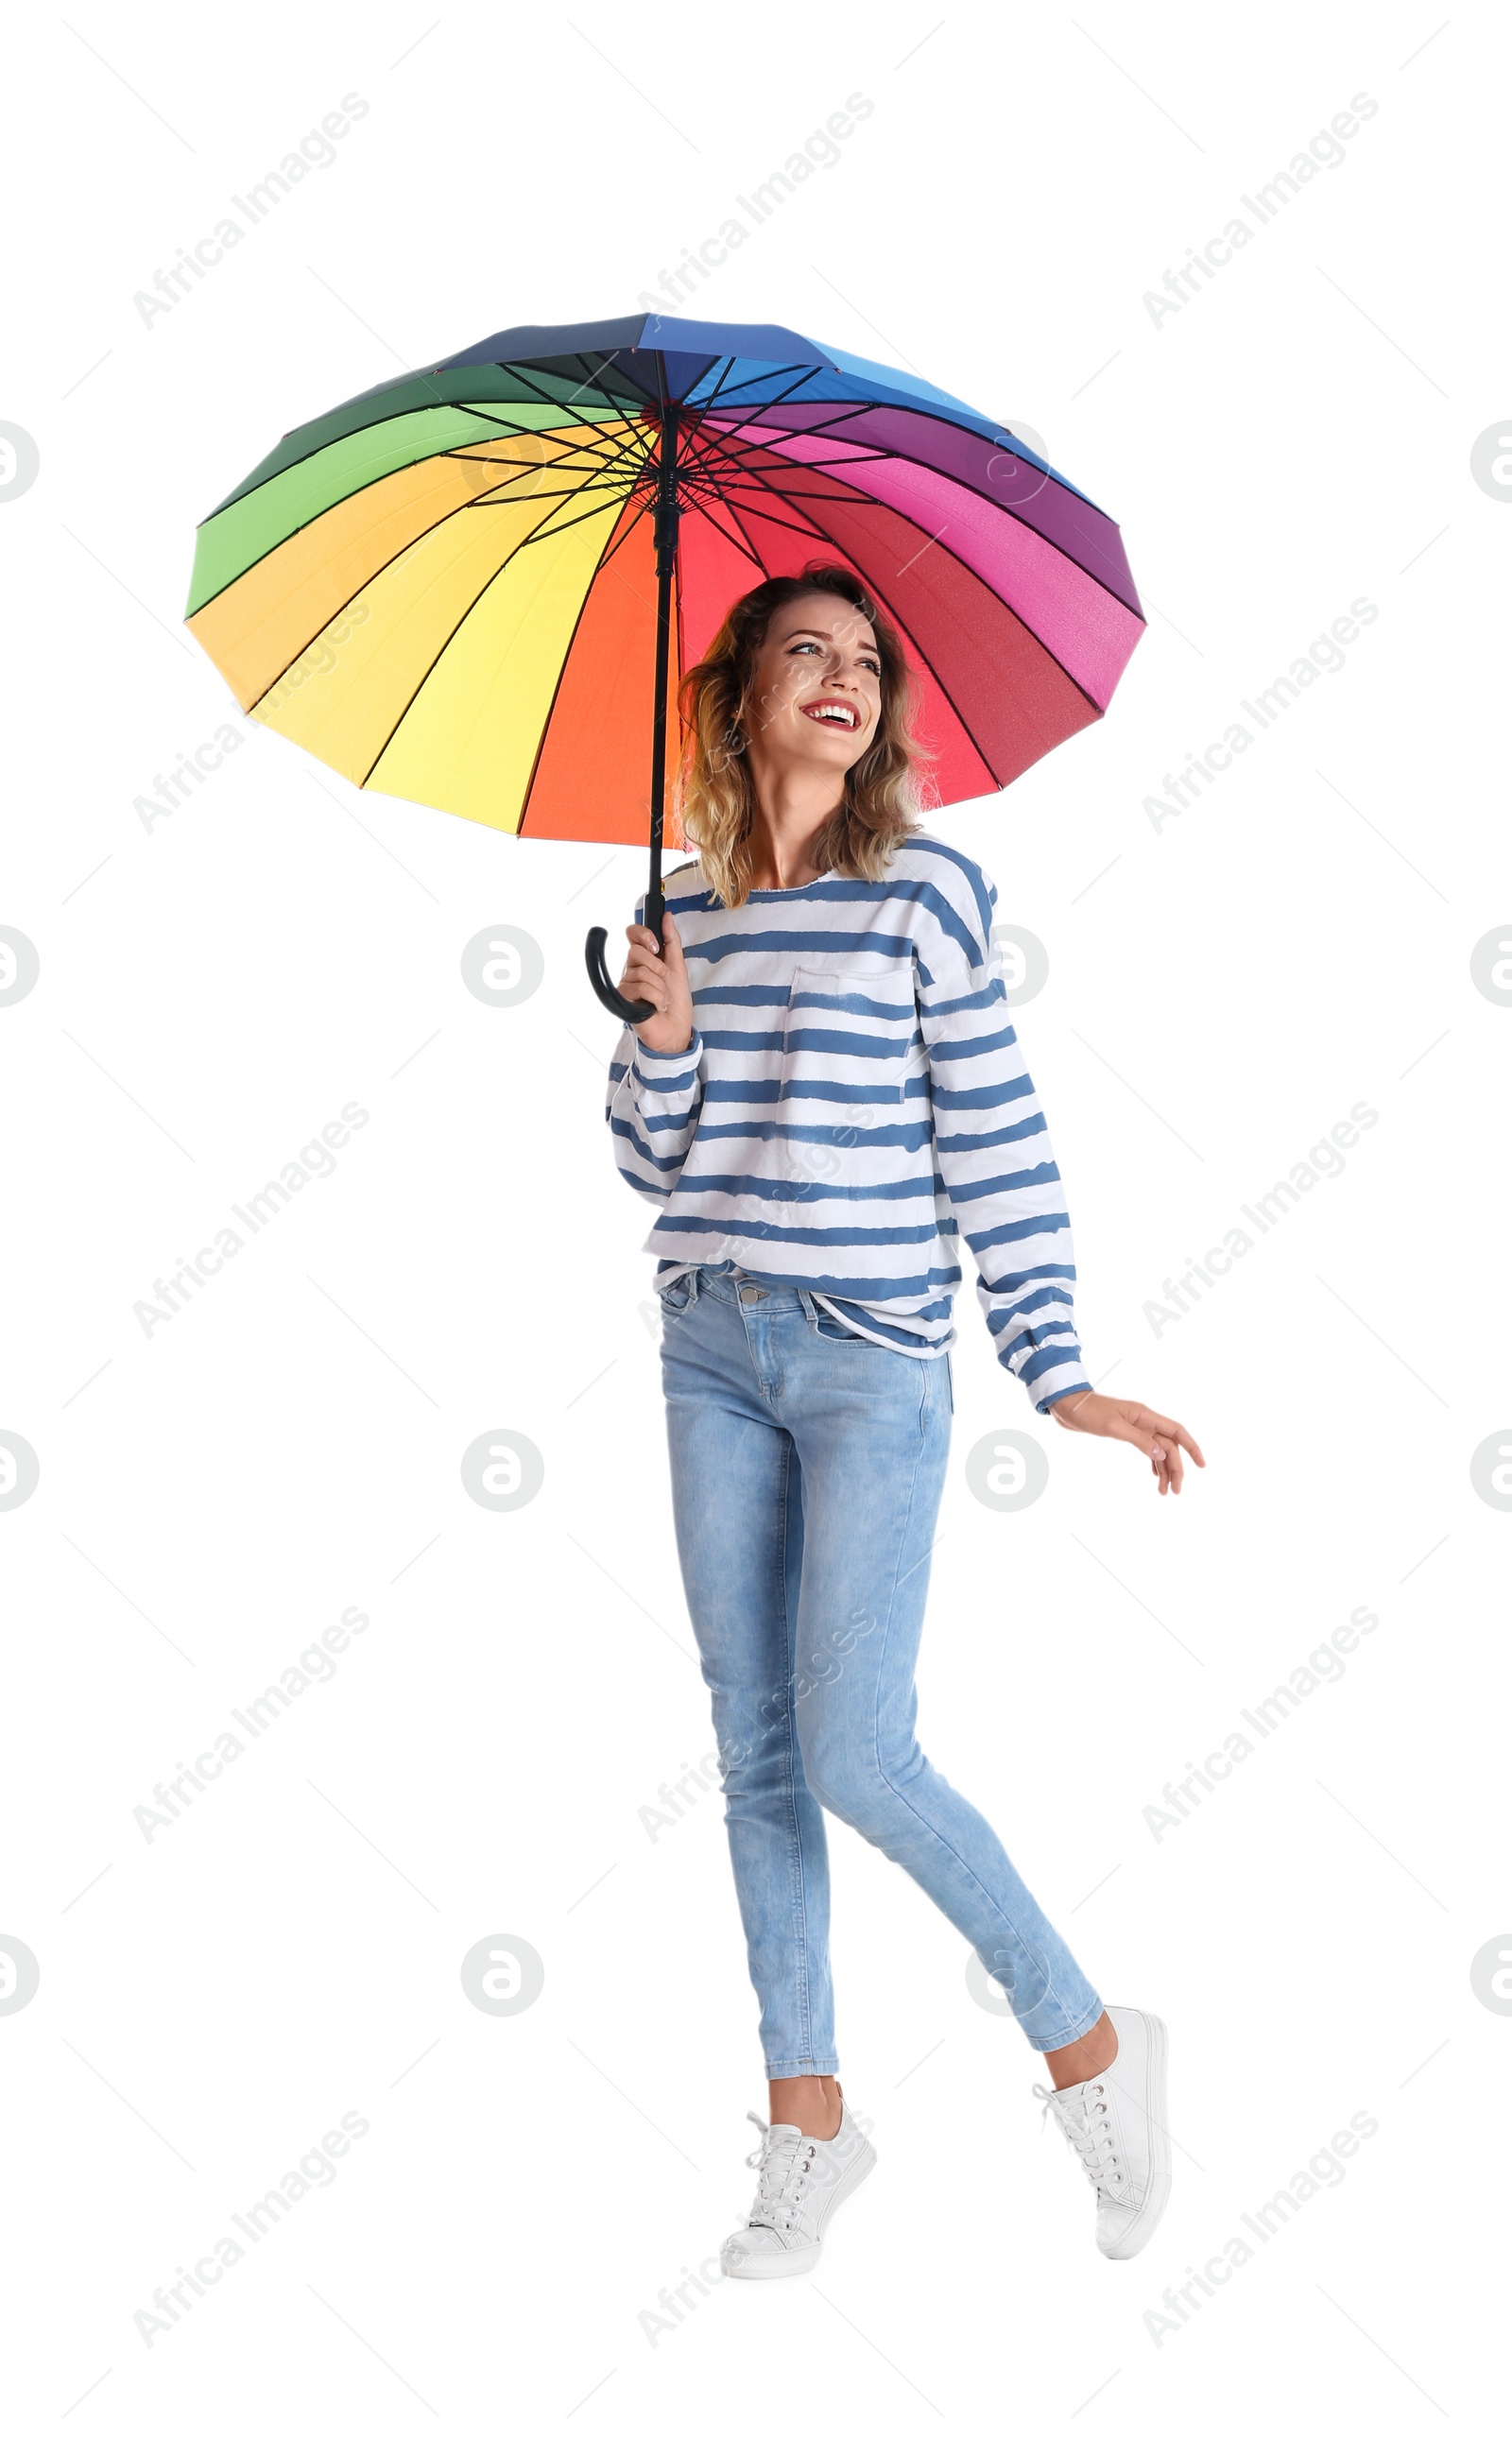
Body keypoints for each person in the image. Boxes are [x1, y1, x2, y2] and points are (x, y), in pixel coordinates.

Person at [605, 561, 1203, 2280]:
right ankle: (809, 2117)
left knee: (858, 1742)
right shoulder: (687, 913)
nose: (844, 678)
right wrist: (662, 1032)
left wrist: (1059, 1362)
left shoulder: (923, 894)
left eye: (865, 660)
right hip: (707, 1349)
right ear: (738, 695)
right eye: (806, 651)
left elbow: (997, 1140)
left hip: (876, 1358)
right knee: (758, 1746)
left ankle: (1090, 2044)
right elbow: (658, 1165)